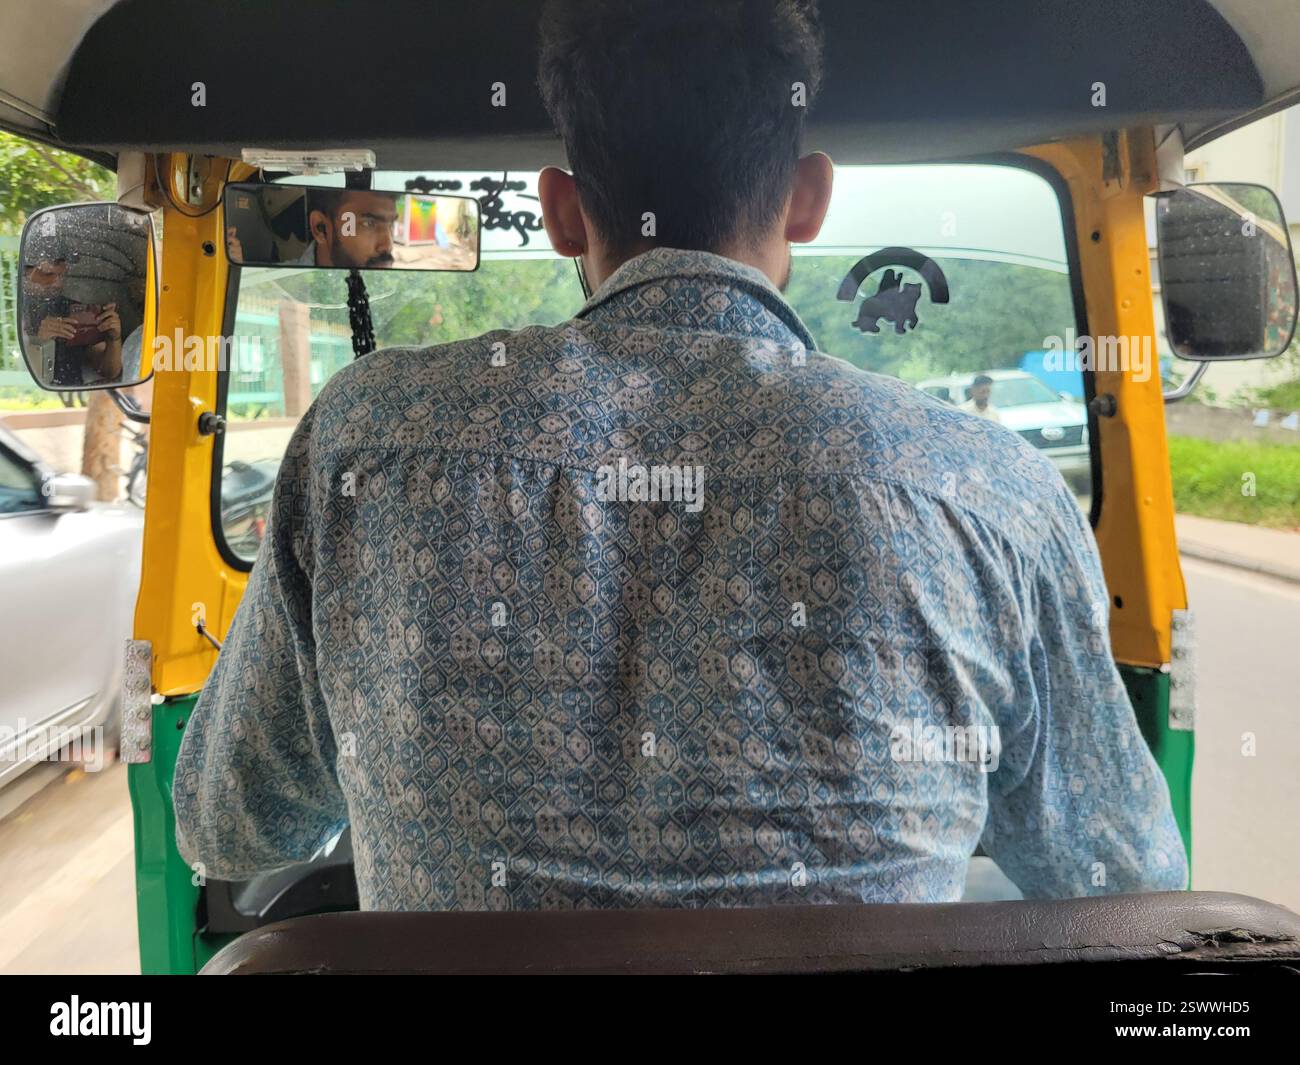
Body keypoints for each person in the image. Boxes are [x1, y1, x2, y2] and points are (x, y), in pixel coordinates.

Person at [175, 0, 1188, 909]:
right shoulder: (987, 491)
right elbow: (1116, 875)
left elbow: (229, 826)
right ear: (807, 200)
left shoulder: (367, 440)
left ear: (565, 212)